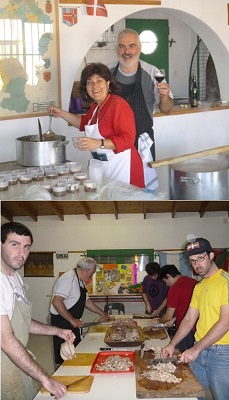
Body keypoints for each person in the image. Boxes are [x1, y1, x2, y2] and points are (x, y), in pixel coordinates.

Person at [161, 238, 229, 400]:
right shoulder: (199, 287)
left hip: (223, 353)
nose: (196, 265)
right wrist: (172, 343)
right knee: (196, 395)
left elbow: (226, 322)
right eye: (192, 261)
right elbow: (188, 319)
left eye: (200, 258)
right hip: (199, 350)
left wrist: (196, 349)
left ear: (211, 256)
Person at [1, 222, 76, 399]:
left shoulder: (15, 278)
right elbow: (6, 340)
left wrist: (57, 331)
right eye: (14, 245)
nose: (22, 254)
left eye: (26, 247)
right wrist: (46, 378)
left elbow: (23, 323)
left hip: (17, 357)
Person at [50, 62, 145, 188]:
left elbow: (127, 139)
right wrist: (62, 114)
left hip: (124, 168)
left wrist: (98, 143)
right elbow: (83, 123)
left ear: (108, 83)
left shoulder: (118, 105)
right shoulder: (96, 107)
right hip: (103, 167)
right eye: (90, 82)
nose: (94, 86)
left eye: (99, 81)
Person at [110, 28, 174, 190]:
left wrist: (165, 96)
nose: (127, 51)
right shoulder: (107, 73)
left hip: (142, 143)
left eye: (131, 46)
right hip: (113, 142)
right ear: (116, 49)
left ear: (140, 48)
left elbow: (167, 109)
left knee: (144, 188)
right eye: (122, 46)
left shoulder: (153, 73)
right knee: (116, 187)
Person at [50, 257, 112, 366]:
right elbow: (57, 302)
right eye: (92, 273)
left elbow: (86, 301)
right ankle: (62, 377)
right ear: (86, 271)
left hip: (73, 323)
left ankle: (74, 370)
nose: (91, 276)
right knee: (64, 355)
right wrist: (72, 319)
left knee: (74, 352)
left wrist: (102, 313)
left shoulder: (80, 281)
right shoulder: (68, 279)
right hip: (62, 322)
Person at [156, 264, 198, 351]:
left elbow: (167, 316)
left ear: (168, 276)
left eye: (165, 281)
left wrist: (157, 321)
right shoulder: (194, 282)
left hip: (186, 330)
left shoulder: (175, 288)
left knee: (181, 357)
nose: (166, 285)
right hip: (199, 327)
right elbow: (189, 307)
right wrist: (175, 318)